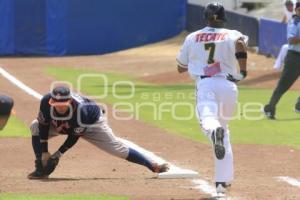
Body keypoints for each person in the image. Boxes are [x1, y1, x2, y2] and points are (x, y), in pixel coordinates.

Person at [176, 2, 248, 194]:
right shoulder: (233, 34)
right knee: (225, 131)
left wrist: (193, 62)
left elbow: (180, 66)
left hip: (206, 84)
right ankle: (222, 184)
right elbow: (241, 44)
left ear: (206, 17)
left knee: (208, 121)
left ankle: (214, 131)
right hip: (228, 85)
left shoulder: (192, 37)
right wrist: (243, 71)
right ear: (223, 18)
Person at [28, 85, 169, 179]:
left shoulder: (81, 110)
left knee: (117, 149)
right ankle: (40, 166)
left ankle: (153, 166)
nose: (59, 107)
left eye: (62, 104)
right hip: (65, 123)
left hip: (92, 123)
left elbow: (73, 137)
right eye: (56, 104)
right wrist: (45, 153)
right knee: (35, 126)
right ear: (52, 101)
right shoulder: (46, 101)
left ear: (69, 101)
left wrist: (57, 155)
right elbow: (43, 124)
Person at [264, 2, 300, 119]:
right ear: (297, 10)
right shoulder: (295, 22)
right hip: (294, 57)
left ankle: (299, 105)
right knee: (283, 85)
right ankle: (270, 108)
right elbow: (291, 40)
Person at [274, 0, 295, 71]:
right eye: (288, 6)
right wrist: (283, 20)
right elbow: (286, 15)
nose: (289, 7)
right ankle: (278, 66)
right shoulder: (286, 10)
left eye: (290, 6)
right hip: (292, 33)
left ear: (293, 6)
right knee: (285, 48)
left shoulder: (297, 11)